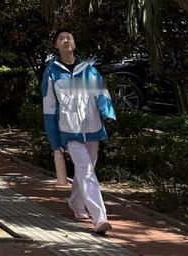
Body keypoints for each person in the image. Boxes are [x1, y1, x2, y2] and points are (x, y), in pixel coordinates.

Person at [41, 31, 116, 236]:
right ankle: (100, 217)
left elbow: (101, 93)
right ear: (56, 45)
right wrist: (55, 140)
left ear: (74, 43)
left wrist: (107, 114)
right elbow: (49, 108)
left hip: (92, 129)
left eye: (69, 37)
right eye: (61, 38)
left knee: (86, 170)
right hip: (70, 132)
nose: (66, 40)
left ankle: (75, 202)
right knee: (86, 171)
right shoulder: (51, 73)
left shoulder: (89, 71)